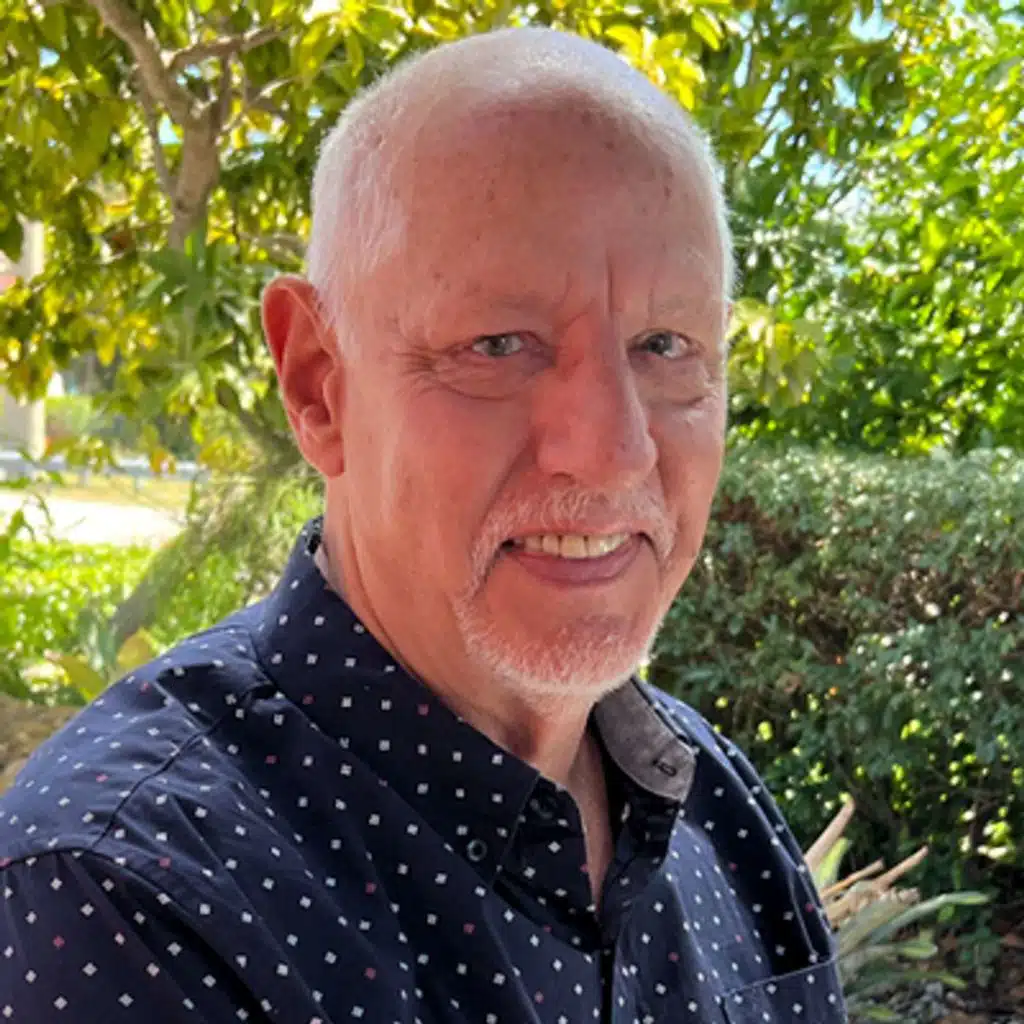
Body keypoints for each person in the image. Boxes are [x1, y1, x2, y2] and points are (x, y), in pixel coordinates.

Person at [0, 27, 846, 1024]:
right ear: (319, 385)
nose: (614, 451)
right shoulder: (120, 900)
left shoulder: (720, 810)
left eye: (665, 344)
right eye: (500, 344)